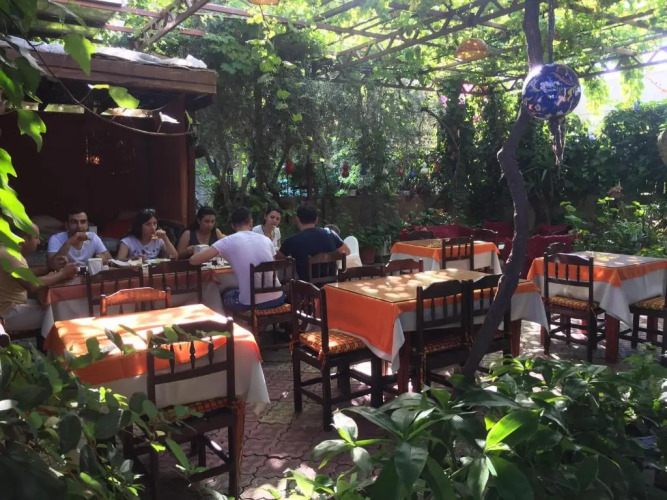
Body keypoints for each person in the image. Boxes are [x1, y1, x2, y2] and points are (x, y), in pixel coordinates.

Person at [191, 207, 284, 312]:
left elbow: (194, 260)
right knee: (237, 291)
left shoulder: (227, 241)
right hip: (278, 298)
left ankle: (222, 320)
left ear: (232, 225)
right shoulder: (266, 240)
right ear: (251, 223)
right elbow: (274, 272)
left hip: (251, 303)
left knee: (225, 293)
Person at [0, 223, 77, 331]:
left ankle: (45, 341)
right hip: (7, 314)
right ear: (24, 239)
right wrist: (63, 273)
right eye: (36, 238)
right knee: (60, 313)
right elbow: (33, 285)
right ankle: (53, 342)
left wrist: (49, 268)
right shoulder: (11, 255)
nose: (39, 242)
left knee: (55, 306)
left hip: (12, 307)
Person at [276, 204, 350, 279]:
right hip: (331, 284)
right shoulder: (331, 234)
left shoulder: (291, 241)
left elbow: (276, 259)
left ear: (297, 219)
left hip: (306, 285)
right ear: (316, 220)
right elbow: (347, 251)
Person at [47, 209, 111, 270]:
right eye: (74, 222)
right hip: (66, 275)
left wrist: (104, 260)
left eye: (83, 222)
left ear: (87, 224)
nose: (79, 226)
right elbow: (52, 266)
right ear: (67, 225)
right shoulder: (56, 239)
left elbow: (111, 260)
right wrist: (69, 242)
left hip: (87, 275)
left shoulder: (93, 237)